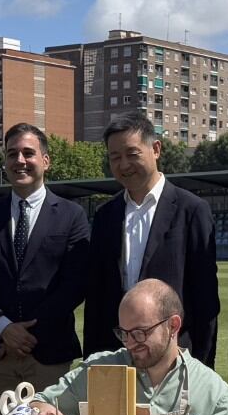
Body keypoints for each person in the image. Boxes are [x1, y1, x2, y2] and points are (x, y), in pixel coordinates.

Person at [0, 123, 90, 415]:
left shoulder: (72, 215)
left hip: (49, 351)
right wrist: (4, 328)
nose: (19, 160)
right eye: (12, 154)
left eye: (28, 153)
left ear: (46, 160)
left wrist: (25, 334)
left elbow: (75, 284)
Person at [31, 280, 228, 415]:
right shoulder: (101, 370)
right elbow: (40, 402)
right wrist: (43, 412)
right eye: (124, 333)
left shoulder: (213, 389)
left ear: (173, 326)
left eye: (140, 333)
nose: (130, 343)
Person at [86, 111, 221, 366]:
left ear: (156, 149)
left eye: (132, 154)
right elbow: (96, 299)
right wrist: (93, 362)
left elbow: (205, 301)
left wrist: (202, 366)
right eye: (115, 157)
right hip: (116, 359)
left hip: (173, 358)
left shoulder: (192, 210)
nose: (124, 164)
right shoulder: (105, 216)